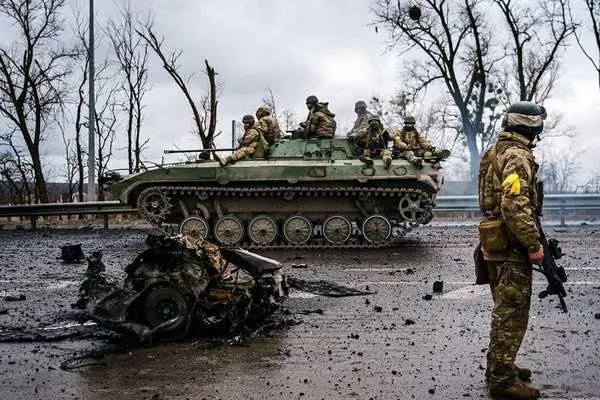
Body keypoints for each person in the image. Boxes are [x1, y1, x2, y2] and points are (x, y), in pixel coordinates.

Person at [477, 101, 546, 399]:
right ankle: (502, 380)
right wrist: (532, 243)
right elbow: (514, 205)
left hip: (495, 242)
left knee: (504, 308)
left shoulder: (495, 151)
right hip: (511, 244)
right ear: (532, 126)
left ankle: (501, 365)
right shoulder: (517, 155)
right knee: (512, 312)